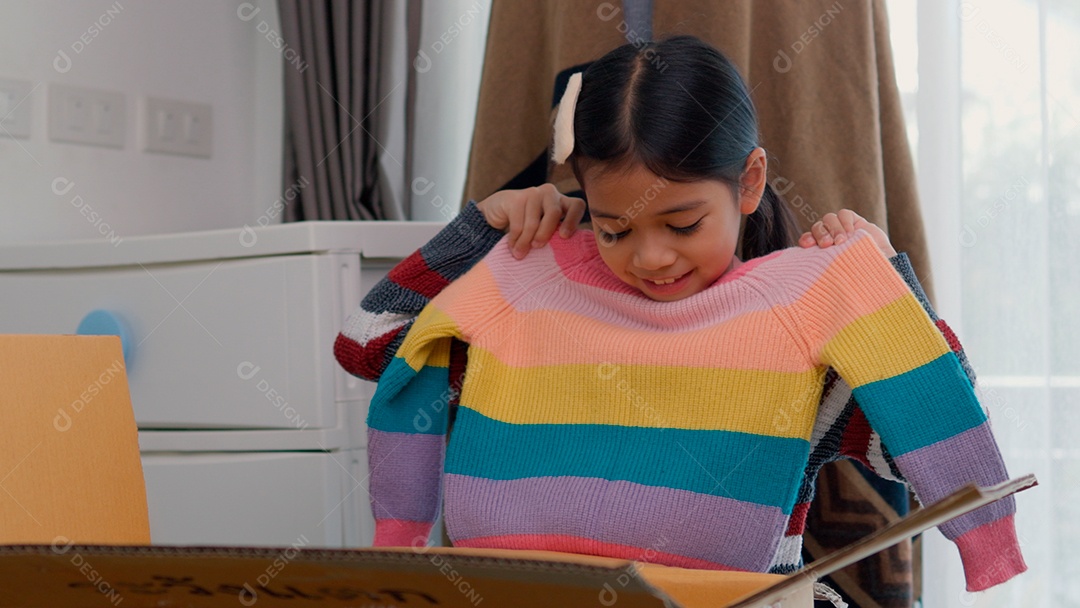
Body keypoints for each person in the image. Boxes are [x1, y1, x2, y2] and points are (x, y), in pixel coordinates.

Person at [335, 36, 1024, 592]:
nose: (651, 257)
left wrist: (890, 292)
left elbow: (920, 450)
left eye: (683, 223)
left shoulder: (796, 321)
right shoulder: (530, 281)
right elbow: (372, 347)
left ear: (749, 183)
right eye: (614, 229)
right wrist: (478, 230)